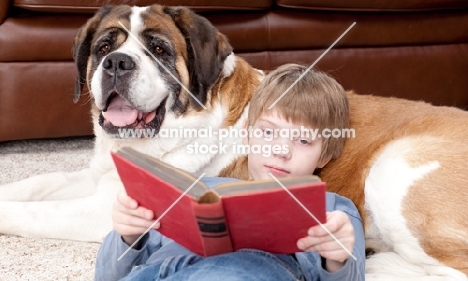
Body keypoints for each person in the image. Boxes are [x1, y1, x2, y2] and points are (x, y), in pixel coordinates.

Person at [95, 64, 365, 280]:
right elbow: (107, 275)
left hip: (247, 271)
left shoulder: (333, 209)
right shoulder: (197, 189)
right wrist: (126, 236)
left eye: (303, 140)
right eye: (268, 132)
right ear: (246, 134)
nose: (282, 150)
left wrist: (337, 259)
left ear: (326, 154)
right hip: (158, 269)